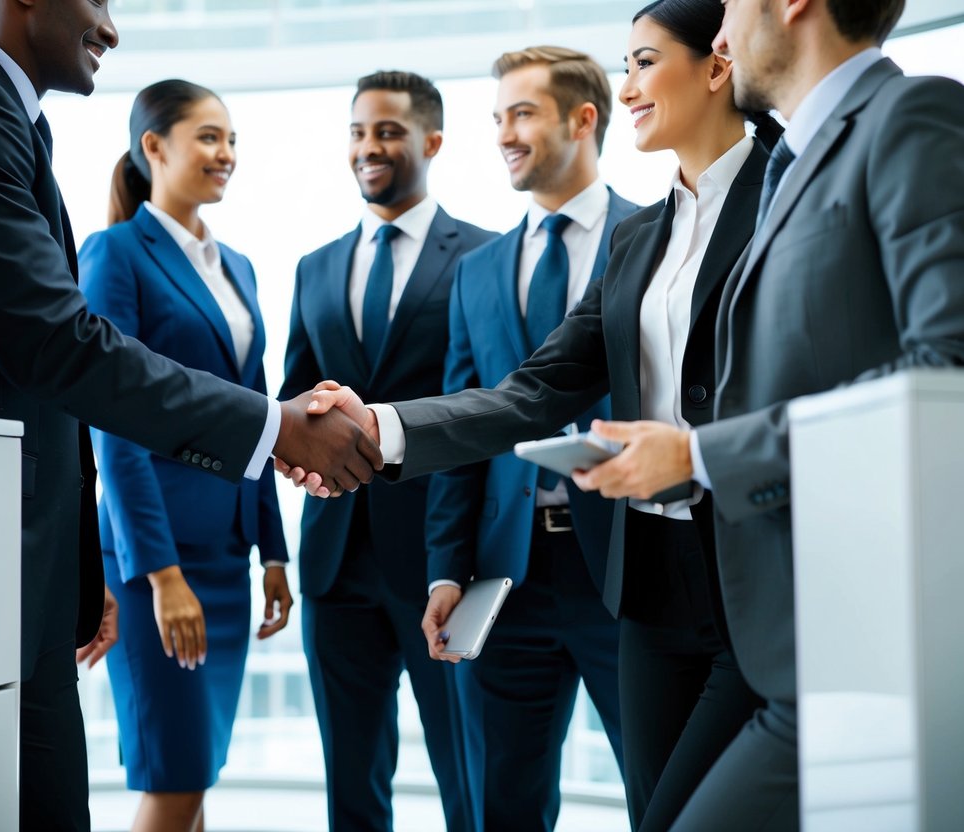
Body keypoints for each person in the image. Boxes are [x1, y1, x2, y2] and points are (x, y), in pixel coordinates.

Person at [0, 3, 380, 829]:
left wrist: (81, 568)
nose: (111, 29)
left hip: (23, 563)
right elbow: (61, 348)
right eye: (99, 1)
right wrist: (275, 429)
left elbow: (39, 383)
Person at [563, 0, 964, 826]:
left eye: (733, 6)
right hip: (793, 626)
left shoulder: (911, 116)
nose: (720, 33)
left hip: (869, 624)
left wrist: (698, 455)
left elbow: (947, 368)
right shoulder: (794, 167)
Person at [420, 46, 635, 832]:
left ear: (583, 120)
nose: (504, 134)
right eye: (497, 117)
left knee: (663, 791)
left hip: (627, 569)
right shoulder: (478, 271)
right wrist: (445, 571)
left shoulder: (653, 236)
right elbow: (459, 431)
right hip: (502, 581)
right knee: (501, 808)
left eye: (522, 113)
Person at [279, 70, 494, 832]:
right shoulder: (314, 267)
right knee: (351, 778)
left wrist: (463, 556)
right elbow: (292, 405)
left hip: (442, 561)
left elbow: (491, 416)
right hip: (336, 562)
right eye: (358, 132)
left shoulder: (485, 257)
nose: (369, 148)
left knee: (466, 775)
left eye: (388, 132)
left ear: (431, 141)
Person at [79, 79, 292, 832]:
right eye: (208, 137)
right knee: (173, 777)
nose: (225, 153)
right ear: (154, 147)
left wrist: (272, 549)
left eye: (231, 139)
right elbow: (114, 422)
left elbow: (260, 416)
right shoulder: (115, 253)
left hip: (228, 555)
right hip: (156, 564)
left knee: (196, 773)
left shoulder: (236, 267)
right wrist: (160, 574)